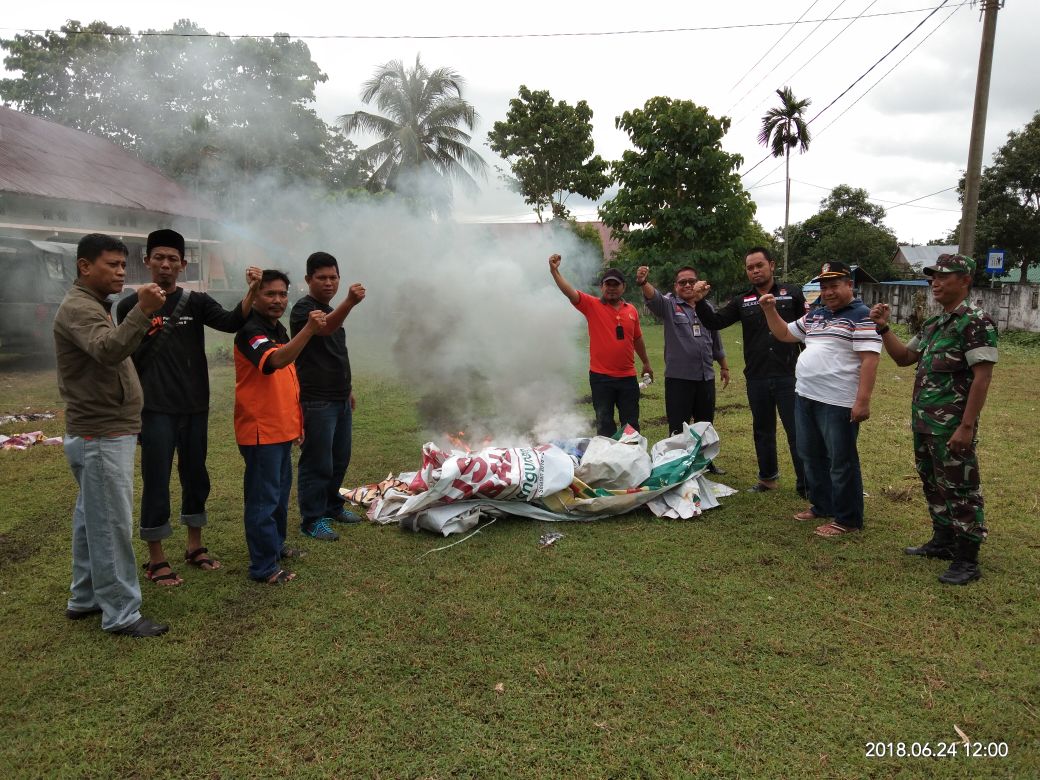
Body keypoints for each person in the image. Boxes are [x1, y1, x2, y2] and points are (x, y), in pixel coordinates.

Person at [116, 229, 262, 586]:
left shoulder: (195, 303)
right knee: (156, 479)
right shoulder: (128, 305)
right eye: (159, 258)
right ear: (147, 261)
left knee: (196, 475)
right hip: (154, 409)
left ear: (182, 264)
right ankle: (156, 559)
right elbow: (121, 358)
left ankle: (194, 547)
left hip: (195, 406)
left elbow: (232, 321)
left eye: (173, 259)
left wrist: (253, 289)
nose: (166, 265)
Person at [53, 233, 169, 637]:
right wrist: (141, 310)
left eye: (124, 265)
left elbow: (111, 352)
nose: (122, 272)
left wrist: (139, 326)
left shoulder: (93, 306)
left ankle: (83, 597)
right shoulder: (78, 308)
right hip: (100, 432)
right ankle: (121, 612)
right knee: (110, 523)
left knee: (91, 519)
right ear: (85, 266)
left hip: (106, 429)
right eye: (112, 264)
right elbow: (106, 351)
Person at [869, 254, 997, 585]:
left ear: (965, 280)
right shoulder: (934, 324)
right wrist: (883, 328)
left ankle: (967, 559)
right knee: (933, 483)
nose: (935, 283)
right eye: (932, 278)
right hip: (925, 422)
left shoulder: (976, 323)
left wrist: (966, 426)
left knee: (961, 487)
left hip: (952, 426)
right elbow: (904, 358)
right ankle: (943, 540)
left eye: (944, 276)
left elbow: (982, 378)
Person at [759, 261, 881, 537]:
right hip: (806, 396)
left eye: (834, 285)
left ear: (849, 285)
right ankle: (822, 504)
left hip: (838, 401)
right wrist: (769, 309)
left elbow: (870, 360)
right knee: (810, 455)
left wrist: (862, 401)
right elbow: (785, 333)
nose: (828, 292)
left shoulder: (863, 316)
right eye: (824, 287)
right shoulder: (817, 315)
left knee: (841, 460)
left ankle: (848, 518)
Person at [233, 270, 326, 584]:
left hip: (281, 427)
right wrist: (309, 330)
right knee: (263, 497)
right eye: (269, 294)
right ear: (255, 296)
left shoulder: (277, 328)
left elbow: (289, 381)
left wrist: (296, 422)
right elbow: (274, 363)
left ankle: (275, 546)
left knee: (279, 492)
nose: (277, 300)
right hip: (261, 430)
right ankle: (263, 566)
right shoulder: (249, 330)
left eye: (282, 294)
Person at [692, 247, 807, 495]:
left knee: (797, 430)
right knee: (762, 430)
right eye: (750, 268)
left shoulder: (792, 294)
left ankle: (806, 483)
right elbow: (715, 322)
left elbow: (807, 333)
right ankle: (767, 479)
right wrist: (699, 301)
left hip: (790, 375)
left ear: (772, 265)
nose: (755, 271)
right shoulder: (742, 301)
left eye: (759, 265)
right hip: (757, 376)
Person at [290, 251, 367, 542]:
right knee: (316, 461)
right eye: (321, 277)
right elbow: (325, 329)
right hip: (316, 400)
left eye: (333, 277)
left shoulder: (331, 310)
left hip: (338, 399)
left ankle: (332, 506)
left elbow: (336, 354)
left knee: (339, 458)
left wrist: (348, 390)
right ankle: (311, 519)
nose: (328, 282)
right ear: (308, 279)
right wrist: (349, 302)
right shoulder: (304, 311)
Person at [634, 264, 730, 473]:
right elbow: (654, 298)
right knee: (678, 425)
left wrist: (723, 366)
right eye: (682, 282)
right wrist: (643, 282)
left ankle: (705, 462)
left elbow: (715, 338)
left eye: (691, 281)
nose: (687, 285)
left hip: (706, 376)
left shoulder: (707, 307)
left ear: (698, 284)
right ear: (675, 286)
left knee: (705, 423)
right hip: (679, 379)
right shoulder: (670, 306)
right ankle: (678, 464)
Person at [549, 254, 653, 436]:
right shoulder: (592, 305)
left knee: (631, 424)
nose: (612, 289)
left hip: (628, 377)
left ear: (623, 287)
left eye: (616, 285)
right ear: (602, 287)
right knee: (604, 423)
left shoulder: (632, 310)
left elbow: (637, 339)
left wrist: (646, 362)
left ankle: (631, 460)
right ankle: (607, 460)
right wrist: (554, 271)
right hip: (601, 378)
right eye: (608, 285)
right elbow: (569, 291)